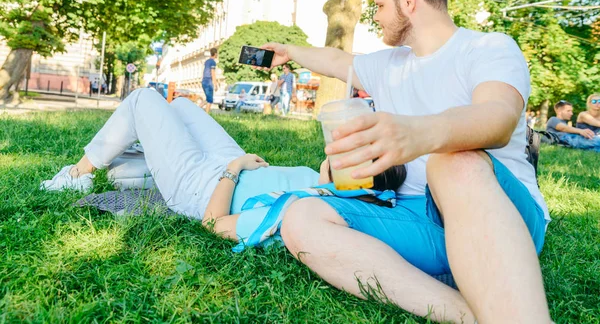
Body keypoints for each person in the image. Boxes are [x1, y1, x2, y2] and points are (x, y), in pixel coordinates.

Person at [261, 0, 552, 323]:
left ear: (408, 0)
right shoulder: (389, 64)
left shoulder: (488, 48)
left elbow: (498, 117)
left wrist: (420, 134)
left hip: (501, 214)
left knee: (453, 162)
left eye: (380, 5)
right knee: (300, 216)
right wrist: (291, 52)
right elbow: (336, 62)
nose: (377, 16)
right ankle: (469, 313)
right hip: (421, 220)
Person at [39, 88, 405, 241]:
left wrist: (234, 168)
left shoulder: (310, 213)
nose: (336, 150)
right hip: (231, 164)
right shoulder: (322, 184)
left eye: (350, 155)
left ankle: (76, 174)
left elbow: (213, 223)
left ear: (358, 179)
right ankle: (134, 163)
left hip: (201, 188)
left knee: (142, 99)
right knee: (181, 105)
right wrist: (241, 163)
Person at [202, 48, 218, 113]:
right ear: (215, 54)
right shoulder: (213, 62)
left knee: (207, 99)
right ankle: (206, 115)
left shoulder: (207, 61)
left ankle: (196, 109)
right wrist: (215, 84)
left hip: (204, 81)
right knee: (210, 100)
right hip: (209, 81)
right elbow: (213, 73)